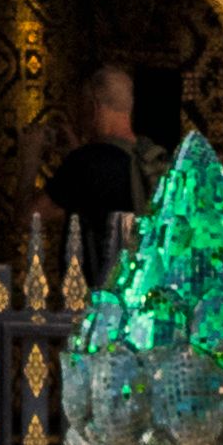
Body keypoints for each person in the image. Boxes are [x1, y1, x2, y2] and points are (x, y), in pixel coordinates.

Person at [34, 63, 158, 287]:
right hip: (145, 293)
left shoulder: (85, 163)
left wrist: (29, 156)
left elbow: (28, 217)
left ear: (93, 107)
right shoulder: (152, 158)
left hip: (101, 298)